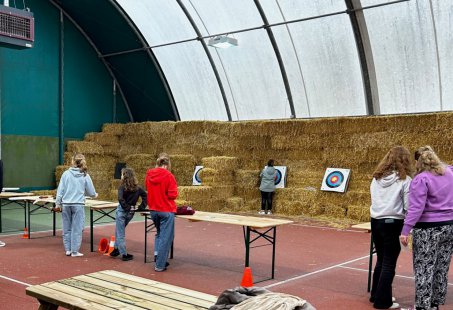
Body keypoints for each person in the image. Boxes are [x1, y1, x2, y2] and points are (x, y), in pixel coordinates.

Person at [400, 146, 453, 310]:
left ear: (418, 162)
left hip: (427, 229)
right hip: (450, 226)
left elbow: (416, 208)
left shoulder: (421, 179)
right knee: (441, 267)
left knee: (424, 268)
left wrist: (405, 230)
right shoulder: (451, 172)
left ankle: (422, 306)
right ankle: (434, 304)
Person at [370, 146, 413, 309]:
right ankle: (383, 302)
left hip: (376, 221)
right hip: (393, 223)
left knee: (381, 260)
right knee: (389, 263)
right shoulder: (405, 180)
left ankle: (376, 295)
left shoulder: (376, 178)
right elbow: (409, 206)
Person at [56, 153, 97, 257]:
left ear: (72, 161)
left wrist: (58, 203)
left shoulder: (65, 174)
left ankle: (68, 250)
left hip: (66, 204)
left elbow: (60, 190)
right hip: (78, 205)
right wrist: (94, 194)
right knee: (77, 228)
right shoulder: (85, 175)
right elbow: (91, 192)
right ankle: (74, 251)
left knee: (66, 228)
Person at [145, 154, 178, 272]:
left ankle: (157, 255)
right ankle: (160, 264)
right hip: (166, 210)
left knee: (159, 233)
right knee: (166, 237)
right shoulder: (169, 176)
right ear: (167, 164)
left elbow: (147, 189)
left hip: (153, 209)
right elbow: (173, 194)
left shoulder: (149, 174)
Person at [109, 167, 147, 261]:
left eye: (122, 174)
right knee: (119, 230)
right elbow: (145, 195)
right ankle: (116, 249)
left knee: (120, 233)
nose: (121, 176)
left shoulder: (122, 187)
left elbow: (120, 199)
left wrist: (126, 207)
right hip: (131, 213)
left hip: (122, 212)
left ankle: (124, 254)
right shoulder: (138, 188)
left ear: (124, 176)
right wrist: (142, 207)